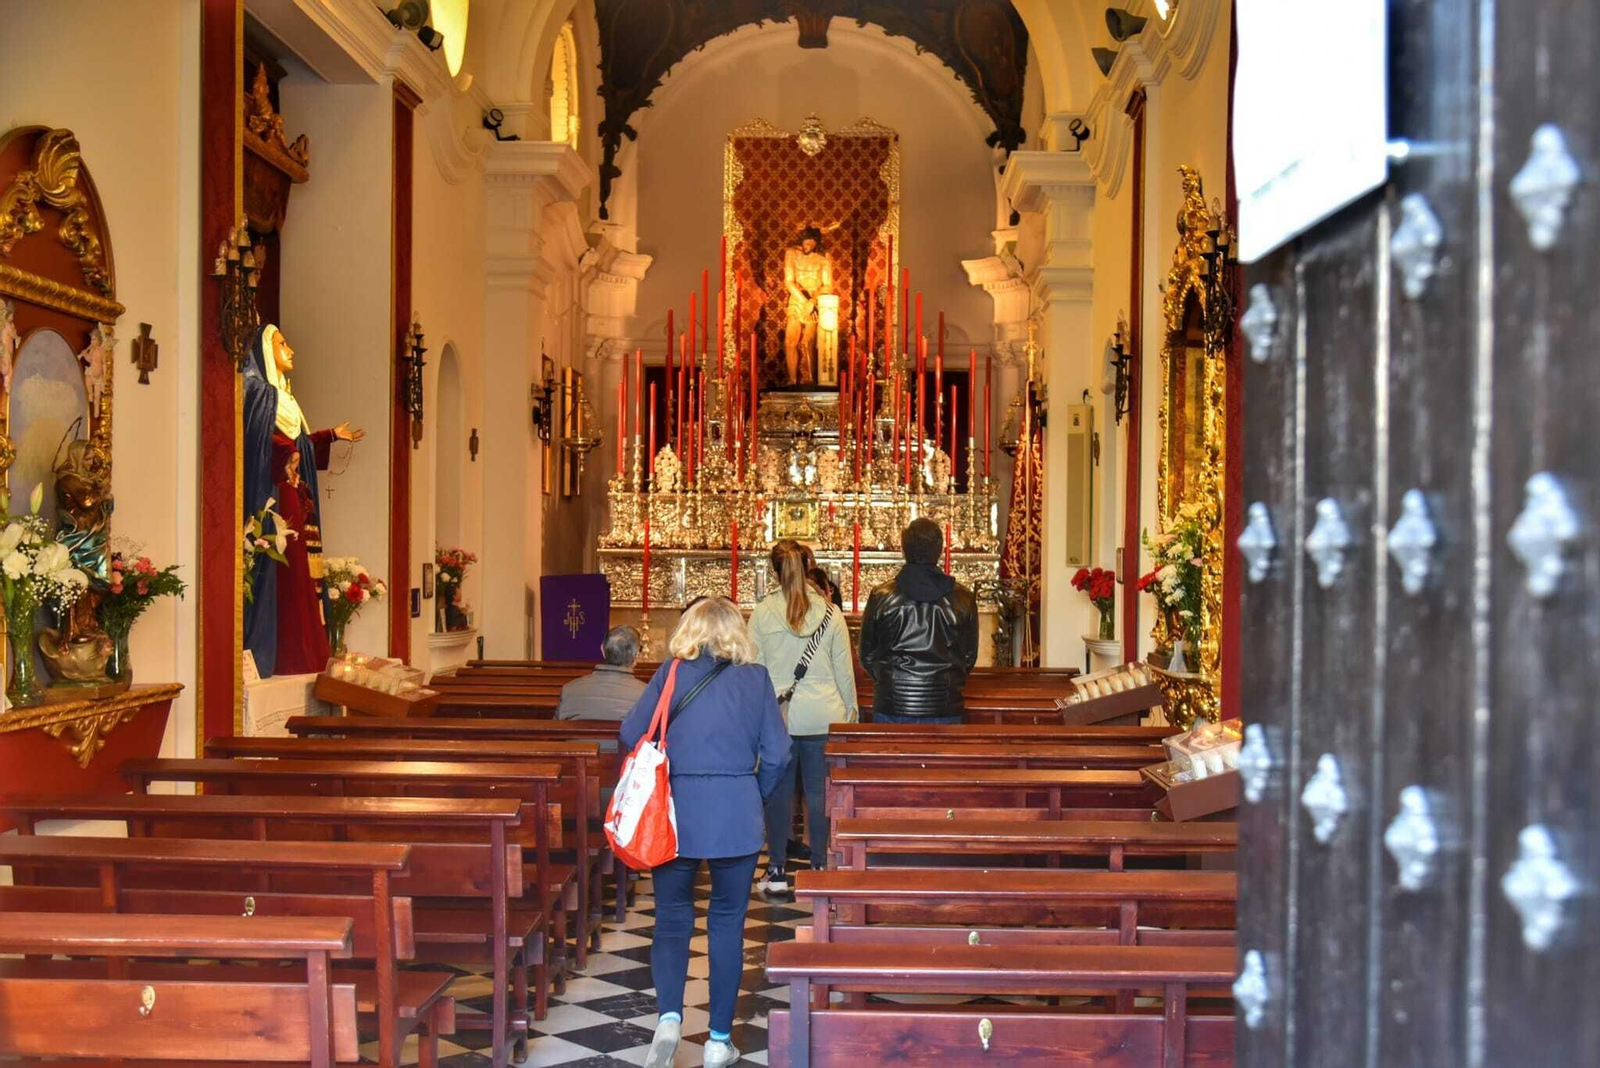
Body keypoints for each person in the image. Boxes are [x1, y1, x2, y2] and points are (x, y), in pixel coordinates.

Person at [621, 597, 789, 1068]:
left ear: (690, 629)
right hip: (735, 813)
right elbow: (778, 754)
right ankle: (718, 1040)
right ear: (737, 631)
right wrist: (752, 792)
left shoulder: (671, 673)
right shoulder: (755, 680)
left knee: (673, 918)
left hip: (674, 814)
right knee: (727, 924)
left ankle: (670, 1019)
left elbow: (630, 731)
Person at [242, 323, 364, 676]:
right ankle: (290, 655)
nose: (291, 350)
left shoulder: (287, 399)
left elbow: (300, 445)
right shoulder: (260, 394)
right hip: (277, 496)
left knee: (305, 568)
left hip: (299, 494)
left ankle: (309, 653)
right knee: (289, 568)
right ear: (266, 351)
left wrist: (329, 436)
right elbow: (257, 439)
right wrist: (286, 453)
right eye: (282, 343)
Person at [750, 541, 857, 899]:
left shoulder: (763, 613)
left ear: (774, 571)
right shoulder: (830, 614)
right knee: (818, 793)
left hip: (779, 716)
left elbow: (755, 671)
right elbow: (845, 674)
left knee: (779, 794)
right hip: (823, 714)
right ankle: (819, 868)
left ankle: (777, 870)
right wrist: (850, 717)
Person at [858, 517, 979, 724]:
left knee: (892, 758)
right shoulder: (963, 598)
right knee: (940, 759)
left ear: (904, 550)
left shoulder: (882, 596)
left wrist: (890, 680)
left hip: (893, 703)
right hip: (944, 704)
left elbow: (867, 654)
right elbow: (968, 657)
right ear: (940, 550)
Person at [556, 625, 646, 720]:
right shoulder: (646, 695)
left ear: (602, 650)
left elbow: (555, 730)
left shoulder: (570, 690)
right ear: (636, 655)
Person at [782, 227, 832, 385]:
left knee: (808, 342)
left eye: (811, 243)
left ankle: (811, 379)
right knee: (790, 341)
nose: (807, 246)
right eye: (805, 242)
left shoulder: (824, 258)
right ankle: (792, 379)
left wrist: (813, 301)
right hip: (797, 299)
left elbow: (828, 285)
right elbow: (788, 281)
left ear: (816, 243)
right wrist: (805, 302)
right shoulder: (791, 254)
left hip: (815, 300)